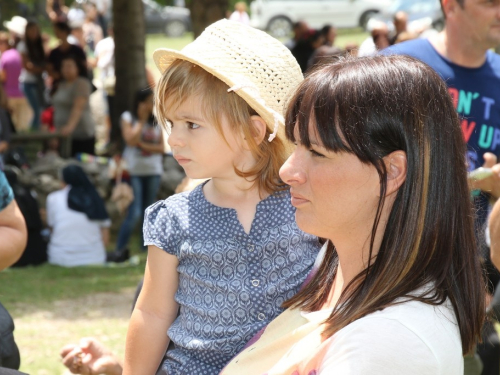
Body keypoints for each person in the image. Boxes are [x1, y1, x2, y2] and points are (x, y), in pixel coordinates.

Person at [220, 54, 485, 375]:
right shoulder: (337, 270)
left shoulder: (383, 344)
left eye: (317, 153)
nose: (288, 170)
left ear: (392, 171)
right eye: (296, 148)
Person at [123, 19, 321, 375]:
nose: (174, 140)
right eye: (171, 124)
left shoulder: (307, 203)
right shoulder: (173, 218)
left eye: (191, 125)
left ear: (253, 131)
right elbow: (152, 312)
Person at [383, 1, 500, 372]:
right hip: (400, 268)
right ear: (451, 5)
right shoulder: (399, 66)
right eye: (489, 2)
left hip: (480, 272)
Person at [114, 87, 164, 253]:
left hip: (153, 170)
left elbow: (162, 148)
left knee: (149, 211)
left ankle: (146, 249)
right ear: (140, 102)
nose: (151, 105)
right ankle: (120, 247)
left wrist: (142, 145)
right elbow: (130, 140)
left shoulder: (157, 120)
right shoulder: (128, 118)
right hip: (134, 171)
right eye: (149, 101)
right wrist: (141, 121)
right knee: (134, 212)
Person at [46, 164, 110, 267]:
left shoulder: (53, 198)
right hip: (95, 258)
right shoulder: (96, 198)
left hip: (60, 258)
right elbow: (105, 236)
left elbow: (51, 228)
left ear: (63, 180)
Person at [52, 55, 96, 156]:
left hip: (80, 134)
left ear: (77, 68)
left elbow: (78, 108)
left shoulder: (82, 84)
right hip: (62, 135)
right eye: (64, 66)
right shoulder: (61, 84)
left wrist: (69, 128)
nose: (66, 69)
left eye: (69, 66)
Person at [17, 21, 47, 131]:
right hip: (29, 82)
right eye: (32, 30)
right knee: (37, 110)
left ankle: (36, 132)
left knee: (41, 109)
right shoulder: (23, 45)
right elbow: (28, 66)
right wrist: (43, 68)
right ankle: (33, 134)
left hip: (39, 82)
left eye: (36, 30)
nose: (34, 33)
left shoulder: (39, 45)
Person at [0, 32, 31, 132]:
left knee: (10, 130)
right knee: (21, 128)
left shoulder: (4, 57)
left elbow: (3, 77)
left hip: (8, 97)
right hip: (21, 95)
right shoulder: (17, 54)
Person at [47, 21, 88, 92]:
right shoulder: (54, 53)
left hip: (76, 85)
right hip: (61, 85)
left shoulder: (77, 50)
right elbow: (50, 69)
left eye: (58, 31)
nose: (56, 33)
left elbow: (84, 66)